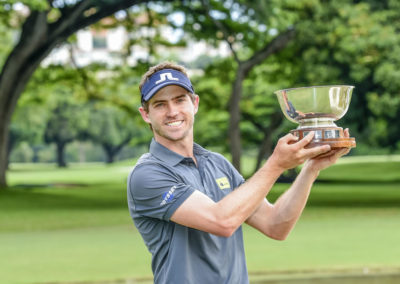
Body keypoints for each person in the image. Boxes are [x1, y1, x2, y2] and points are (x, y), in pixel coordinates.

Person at [127, 61, 350, 284]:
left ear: (194, 103)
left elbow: (275, 225)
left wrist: (311, 169)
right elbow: (221, 221)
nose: (172, 111)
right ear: (146, 114)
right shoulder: (147, 175)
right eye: (160, 104)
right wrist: (276, 164)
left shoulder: (217, 164)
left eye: (179, 100)